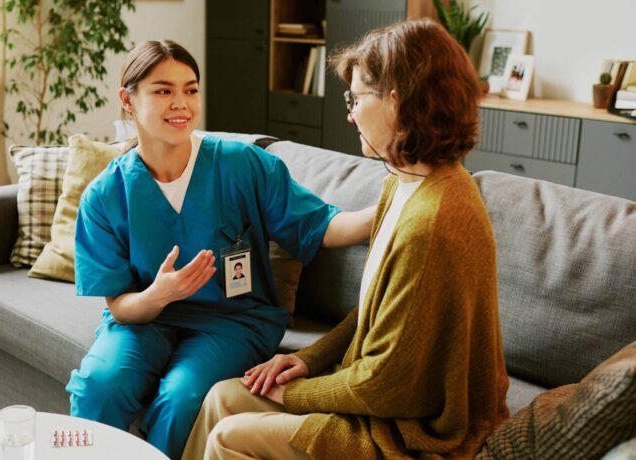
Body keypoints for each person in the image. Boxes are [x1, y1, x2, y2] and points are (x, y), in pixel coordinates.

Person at [184, 19, 510, 459]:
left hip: (410, 429)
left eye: (356, 98)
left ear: (397, 99)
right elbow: (376, 311)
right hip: (378, 398)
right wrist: (309, 359)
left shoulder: (432, 222)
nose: (350, 112)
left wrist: (296, 393)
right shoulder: (404, 181)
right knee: (222, 396)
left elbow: (388, 385)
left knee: (229, 437)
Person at [65, 40, 376, 459]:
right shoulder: (105, 194)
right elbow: (120, 305)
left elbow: (319, 224)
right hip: (147, 318)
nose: (181, 103)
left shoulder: (244, 165)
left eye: (190, 89)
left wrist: (390, 207)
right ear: (128, 99)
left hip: (233, 319)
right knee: (99, 385)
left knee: (182, 397)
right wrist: (160, 294)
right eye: (163, 90)